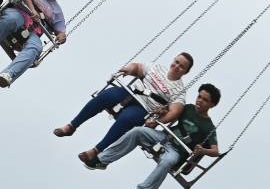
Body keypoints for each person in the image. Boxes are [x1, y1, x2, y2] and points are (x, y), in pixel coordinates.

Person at [83, 84, 221, 189]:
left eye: (205, 100)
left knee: (167, 162)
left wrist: (203, 150)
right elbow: (170, 112)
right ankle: (102, 160)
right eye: (199, 96)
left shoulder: (209, 127)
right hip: (163, 137)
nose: (200, 101)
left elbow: (215, 151)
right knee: (138, 131)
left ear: (212, 105)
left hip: (176, 151)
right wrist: (162, 112)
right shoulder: (188, 108)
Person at [53, 53, 193, 164]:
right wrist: (129, 69)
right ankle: (71, 126)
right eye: (176, 62)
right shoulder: (157, 68)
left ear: (185, 72)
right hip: (130, 94)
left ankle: (96, 150)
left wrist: (157, 121)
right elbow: (137, 67)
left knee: (127, 119)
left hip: (145, 109)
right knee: (106, 96)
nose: (176, 66)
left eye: (181, 66)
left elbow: (175, 111)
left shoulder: (179, 90)